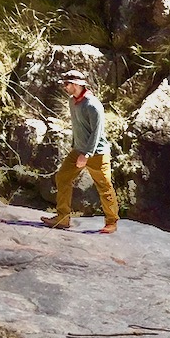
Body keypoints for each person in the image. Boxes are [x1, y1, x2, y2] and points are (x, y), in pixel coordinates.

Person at [41, 69, 119, 233]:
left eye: (66, 84)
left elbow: (97, 132)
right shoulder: (72, 101)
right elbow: (78, 127)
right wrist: (76, 147)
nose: (64, 87)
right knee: (62, 177)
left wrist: (87, 154)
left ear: (76, 84)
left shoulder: (92, 105)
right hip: (78, 150)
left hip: (97, 153)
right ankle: (62, 218)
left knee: (104, 186)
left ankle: (111, 222)